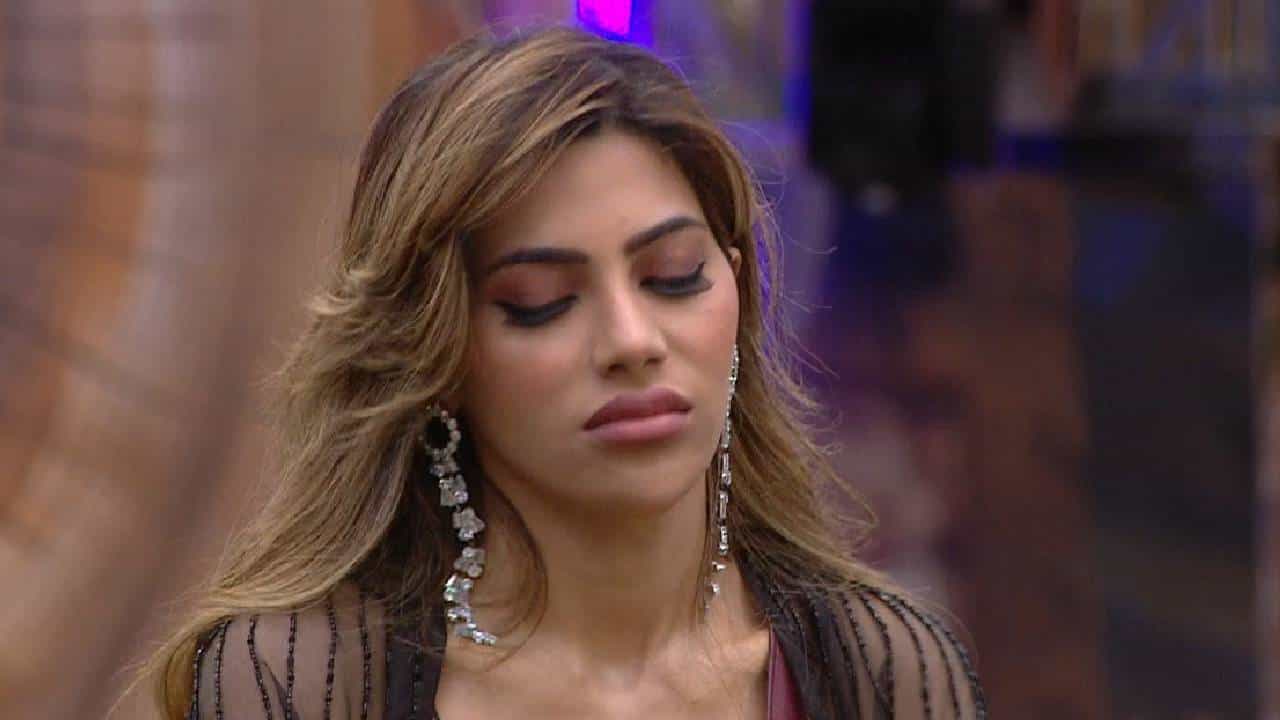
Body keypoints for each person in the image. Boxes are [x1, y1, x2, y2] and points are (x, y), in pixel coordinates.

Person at [138, 27, 985, 720]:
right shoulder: (300, 682)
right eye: (540, 302)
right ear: (435, 352)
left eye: (673, 277)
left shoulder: (882, 673)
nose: (631, 340)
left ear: (737, 289)